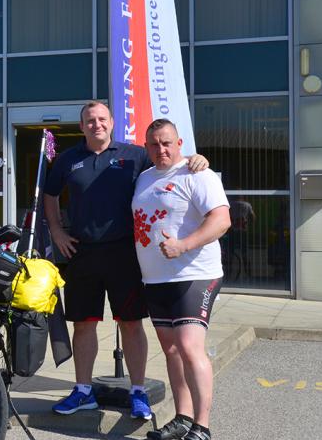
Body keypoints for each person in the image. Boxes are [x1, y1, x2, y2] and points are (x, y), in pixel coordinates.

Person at [43, 102, 207, 420]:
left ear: (112, 122)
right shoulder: (67, 159)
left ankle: (138, 392)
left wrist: (196, 160)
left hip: (125, 254)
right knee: (83, 325)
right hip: (81, 252)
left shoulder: (135, 155)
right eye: (90, 120)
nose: (97, 124)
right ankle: (83, 391)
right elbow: (49, 195)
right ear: (81, 126)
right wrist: (56, 231)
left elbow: (167, 161)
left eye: (102, 119)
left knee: (131, 324)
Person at [132, 119, 229, 440]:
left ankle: (202, 427)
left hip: (195, 274)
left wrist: (184, 245)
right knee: (171, 351)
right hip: (156, 279)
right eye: (155, 144)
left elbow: (221, 219)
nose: (162, 150)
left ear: (179, 142)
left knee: (189, 347)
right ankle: (183, 418)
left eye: (167, 143)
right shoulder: (144, 177)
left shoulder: (196, 173)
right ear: (146, 147)